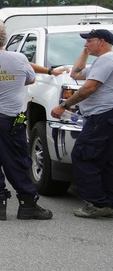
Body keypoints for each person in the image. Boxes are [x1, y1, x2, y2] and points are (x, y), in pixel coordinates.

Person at [0, 21, 51, 221]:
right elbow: (30, 79)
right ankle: (27, 204)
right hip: (10, 119)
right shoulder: (19, 58)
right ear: (5, 40)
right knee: (16, 161)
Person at [51, 28, 113, 218]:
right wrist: (85, 52)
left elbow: (89, 88)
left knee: (84, 156)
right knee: (105, 160)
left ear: (102, 41)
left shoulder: (107, 59)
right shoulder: (100, 61)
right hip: (103, 117)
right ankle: (107, 201)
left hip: (101, 116)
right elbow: (76, 73)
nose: (85, 44)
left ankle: (97, 203)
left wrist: (64, 105)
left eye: (89, 41)